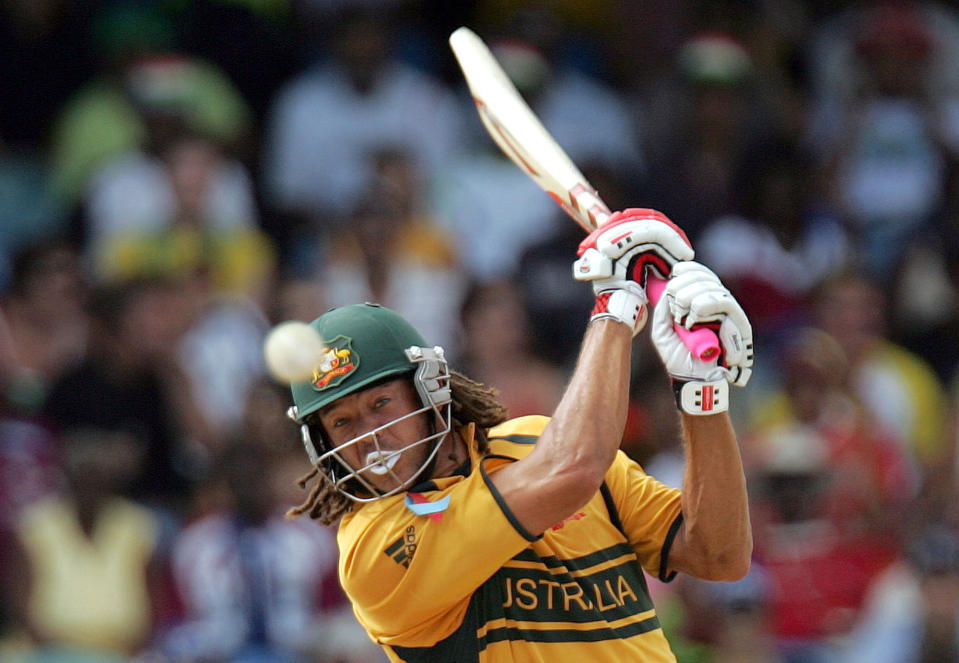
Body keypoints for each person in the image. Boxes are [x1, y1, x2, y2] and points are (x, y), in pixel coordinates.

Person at [283, 209, 754, 661]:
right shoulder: (373, 550)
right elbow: (573, 469)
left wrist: (701, 392)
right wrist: (616, 304)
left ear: (430, 390)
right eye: (342, 422)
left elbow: (719, 554)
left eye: (380, 404)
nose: (368, 436)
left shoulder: (536, 441)